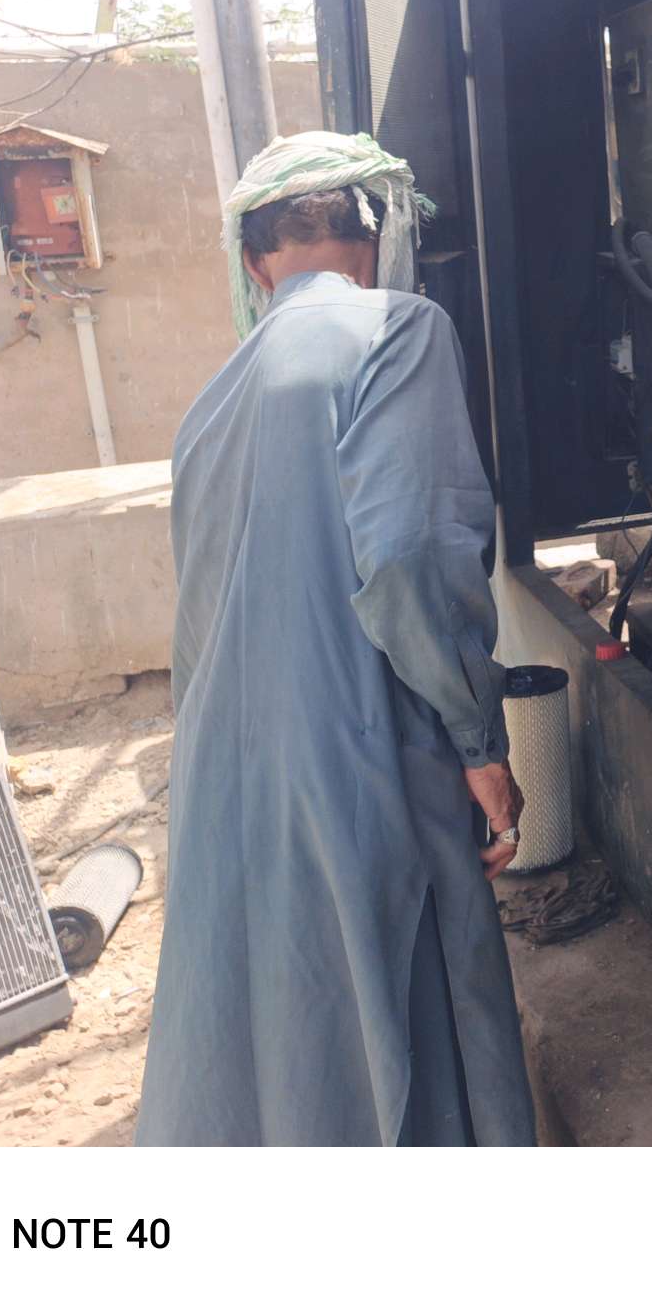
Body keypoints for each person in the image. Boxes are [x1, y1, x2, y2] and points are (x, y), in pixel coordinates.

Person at [136, 131, 536, 1146]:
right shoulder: (397, 329)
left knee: (288, 1026)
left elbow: (200, 621)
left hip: (233, 774)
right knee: (412, 1012)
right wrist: (478, 740)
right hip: (366, 757)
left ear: (253, 262)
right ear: (379, 235)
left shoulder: (209, 406)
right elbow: (409, 556)